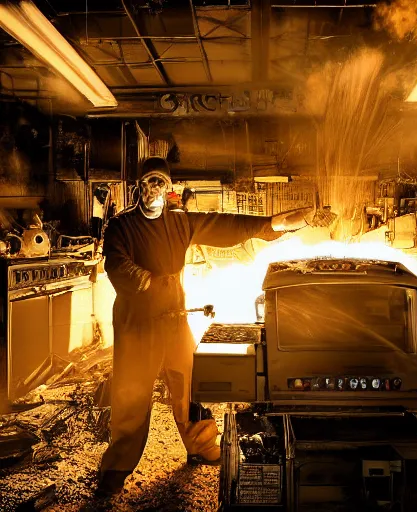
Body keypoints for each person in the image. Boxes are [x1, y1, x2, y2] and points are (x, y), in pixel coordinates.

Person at [97, 156, 313, 495]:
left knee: (189, 386)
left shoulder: (179, 222)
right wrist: (150, 282)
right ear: (139, 186)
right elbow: (116, 263)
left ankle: (201, 446)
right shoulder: (121, 226)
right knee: (132, 396)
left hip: (174, 319)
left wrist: (271, 225)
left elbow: (221, 225)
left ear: (169, 189)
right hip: (136, 324)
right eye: (149, 181)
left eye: (160, 182)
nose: (154, 188)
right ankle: (117, 467)